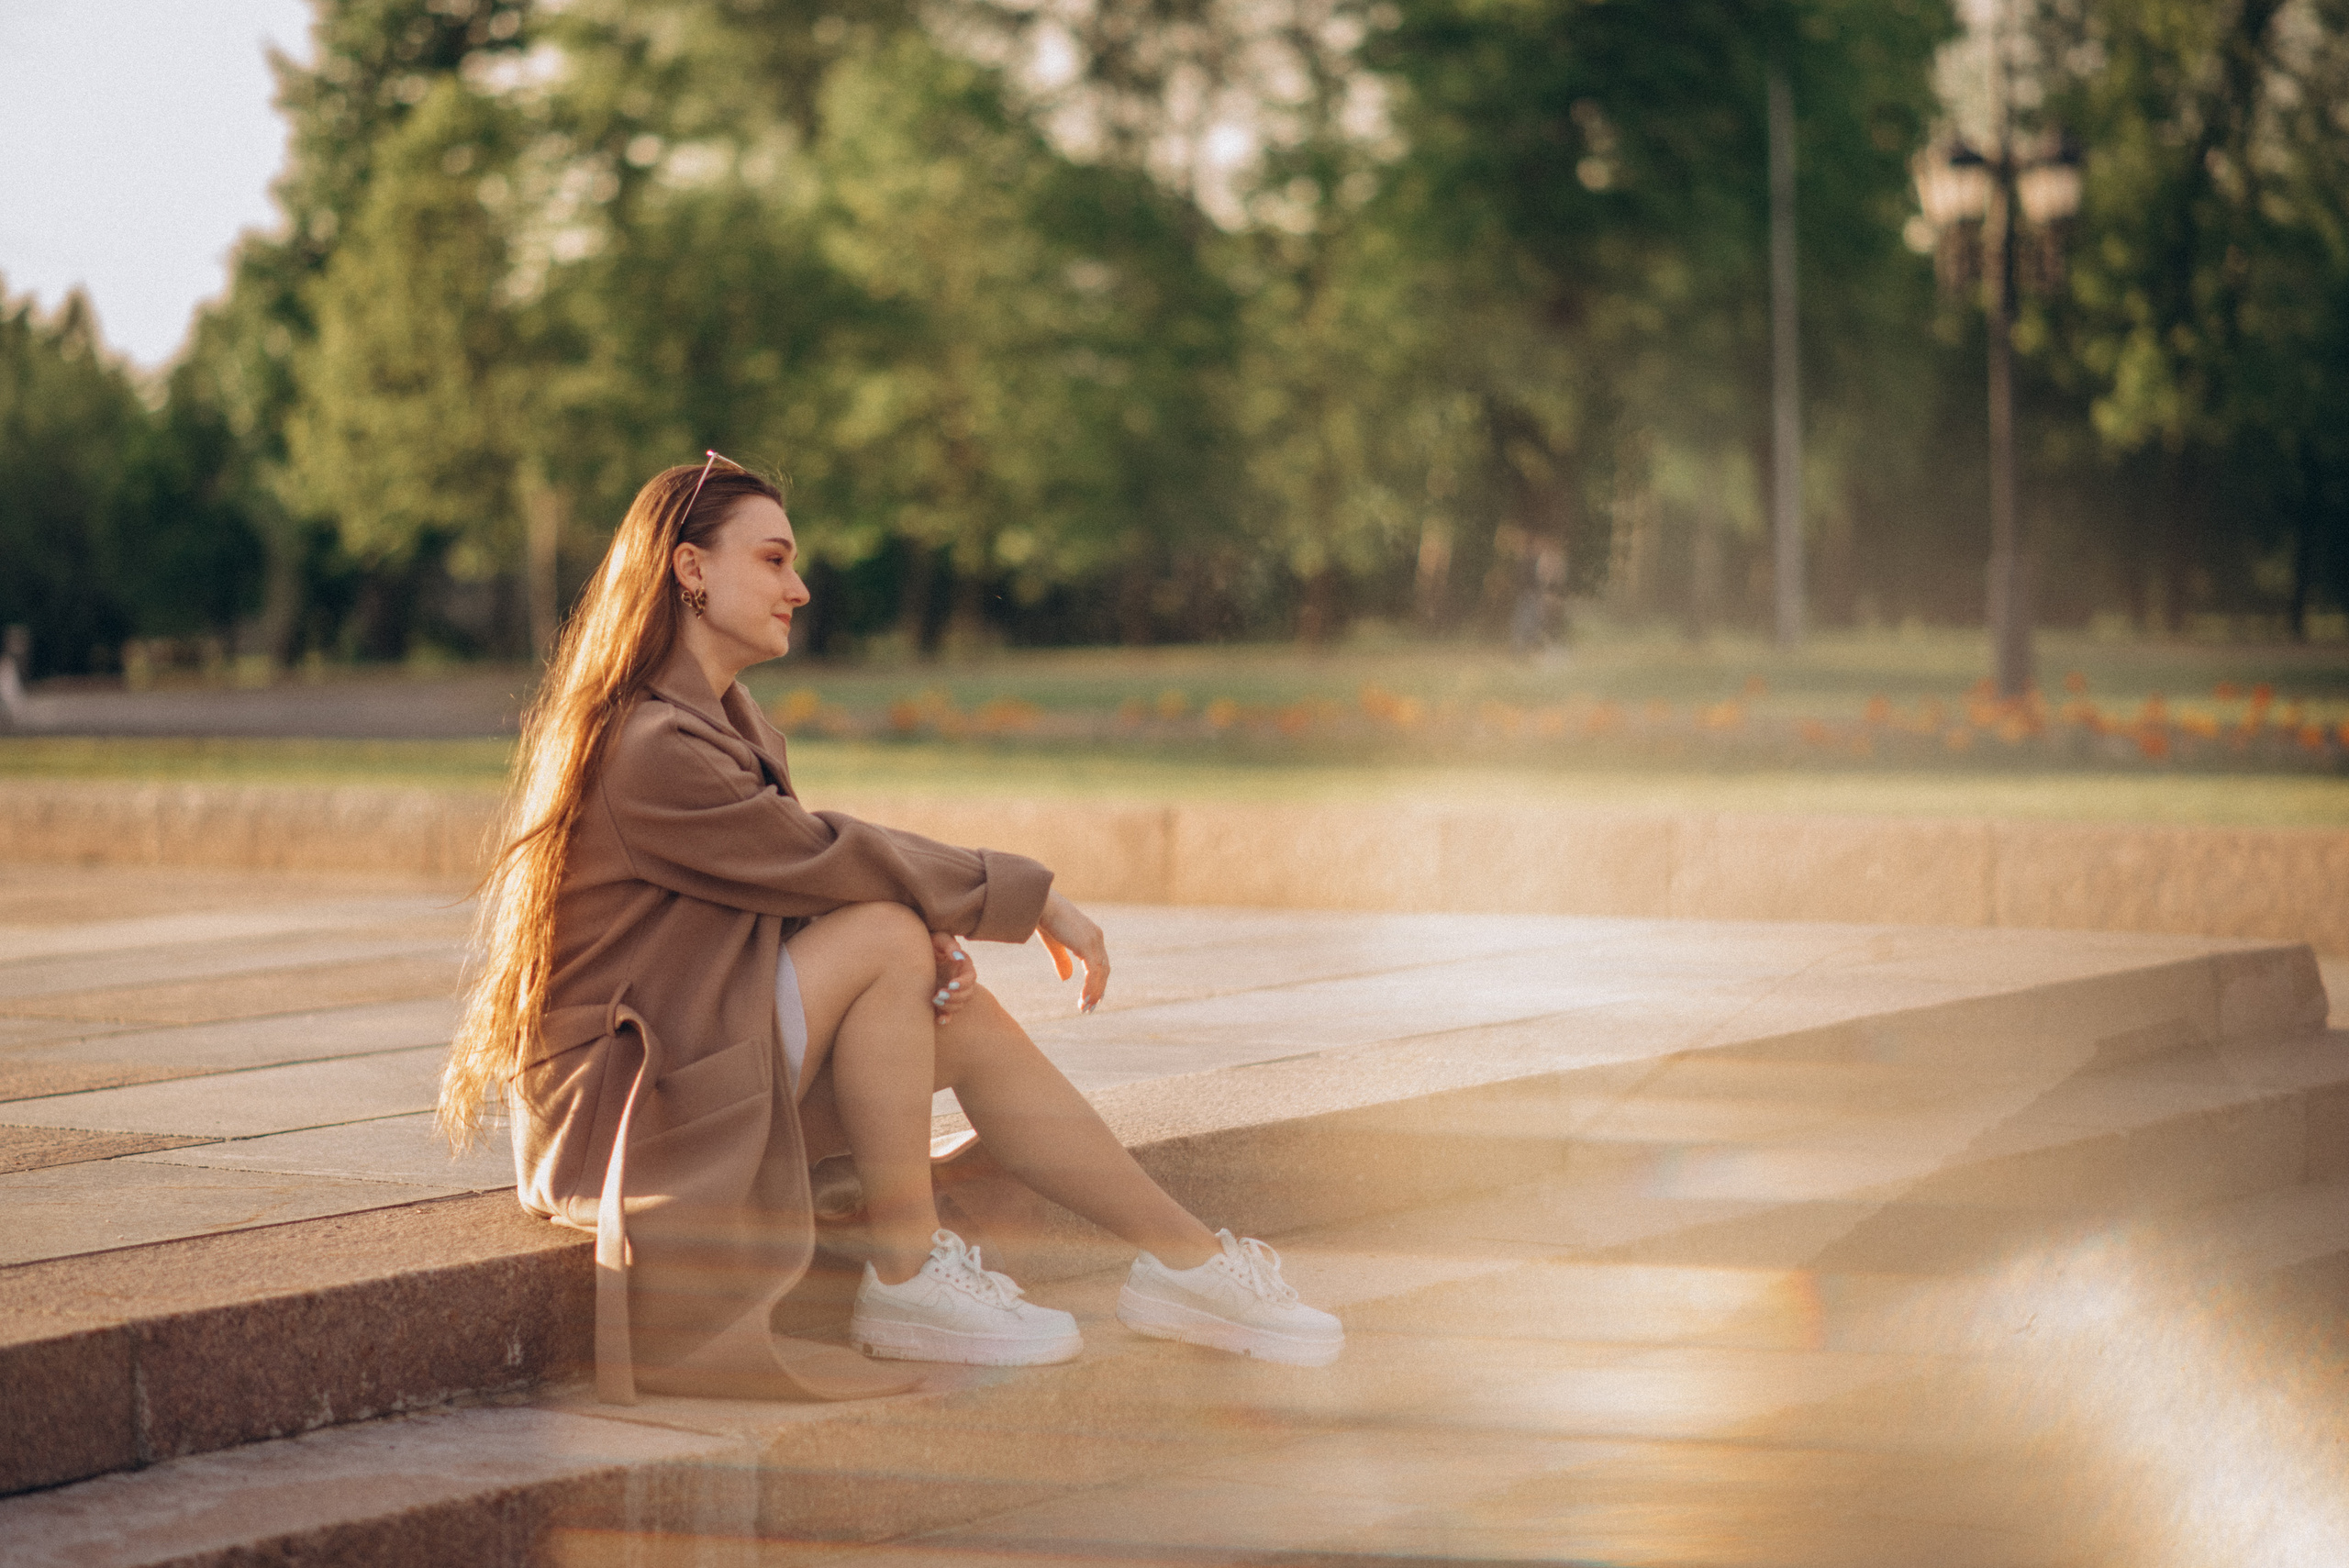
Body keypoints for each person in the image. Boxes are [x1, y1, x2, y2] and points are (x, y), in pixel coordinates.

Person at [438, 454, 1341, 1405]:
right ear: (690, 568)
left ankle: (1187, 1264)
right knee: (880, 937)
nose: (800, 586)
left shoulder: (717, 721)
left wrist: (923, 935)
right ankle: (909, 1276)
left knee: (946, 1000)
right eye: (774, 559)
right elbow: (823, 855)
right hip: (618, 1120)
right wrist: (1021, 899)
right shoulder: (649, 745)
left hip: (687, 1063)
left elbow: (779, 879)